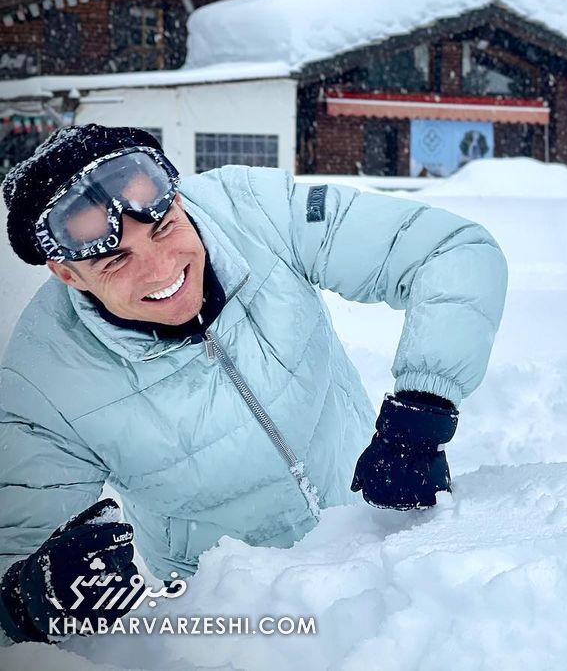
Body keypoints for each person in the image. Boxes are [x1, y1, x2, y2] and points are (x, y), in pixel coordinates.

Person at [0, 124, 508, 643]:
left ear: (175, 199)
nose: (162, 271)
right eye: (116, 260)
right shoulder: (42, 383)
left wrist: (423, 410)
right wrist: (25, 600)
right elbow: (11, 563)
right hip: (239, 624)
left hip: (382, 544)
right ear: (67, 273)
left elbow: (451, 251)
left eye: (162, 229)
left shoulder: (255, 211)